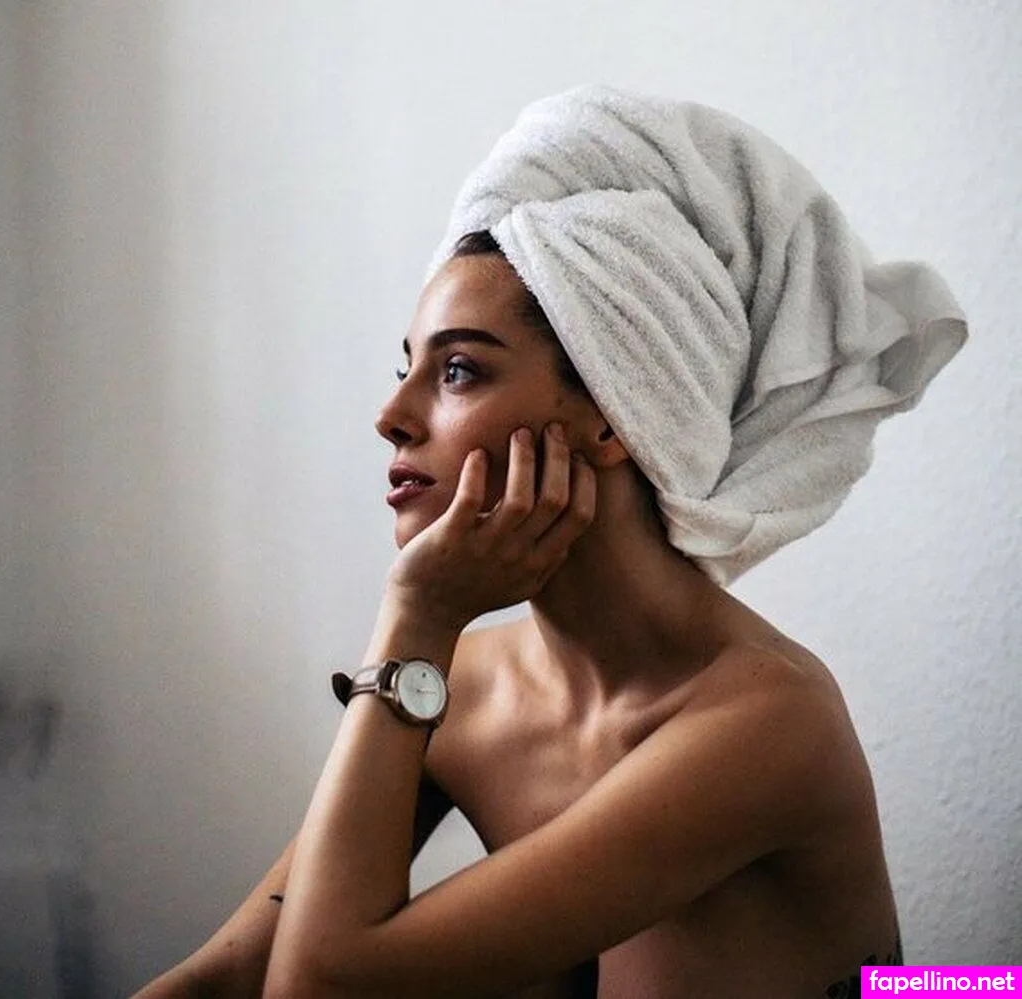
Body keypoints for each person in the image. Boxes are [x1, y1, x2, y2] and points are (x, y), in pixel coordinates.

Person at [135, 85, 965, 998]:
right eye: (407, 367)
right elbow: (232, 974)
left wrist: (416, 616)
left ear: (615, 414)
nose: (392, 415)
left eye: (458, 369)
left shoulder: (768, 723)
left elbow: (321, 985)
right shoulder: (475, 689)